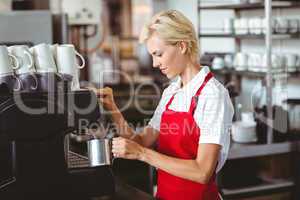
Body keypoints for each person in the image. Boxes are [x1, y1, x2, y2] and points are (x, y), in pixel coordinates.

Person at [93, 10, 234, 200]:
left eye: (158, 54)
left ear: (182, 46)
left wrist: (142, 154)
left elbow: (202, 172)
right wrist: (112, 107)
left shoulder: (212, 95)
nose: (154, 63)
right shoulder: (171, 92)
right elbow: (141, 141)